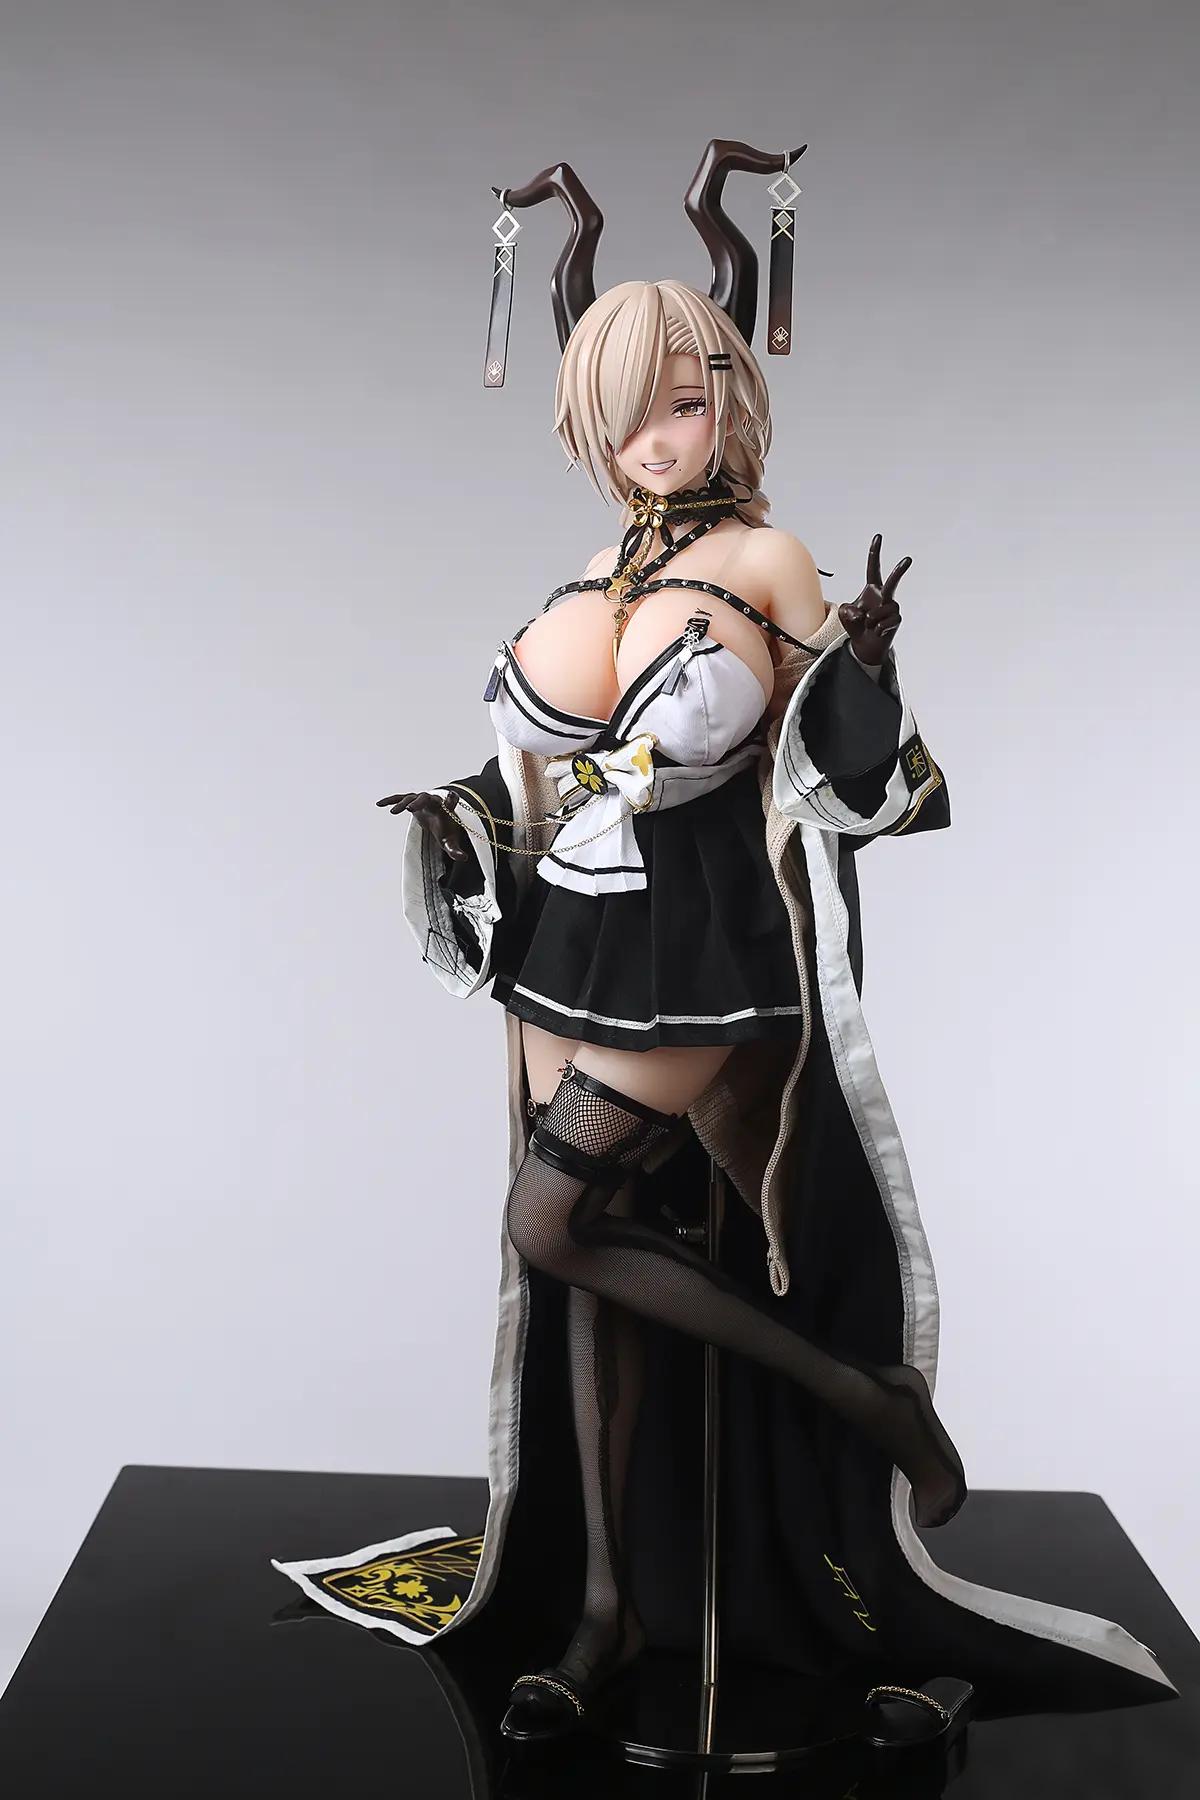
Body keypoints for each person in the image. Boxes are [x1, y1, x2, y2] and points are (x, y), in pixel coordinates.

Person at [271, 143, 1177, 1746]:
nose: (655, 438)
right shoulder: (591, 570)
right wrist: (466, 809)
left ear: (730, 402)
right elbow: (554, 771)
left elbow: (852, 774)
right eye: (625, 412)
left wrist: (870, 666)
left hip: (700, 947)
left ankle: (863, 1395)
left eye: (683, 402)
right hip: (567, 939)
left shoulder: (766, 559)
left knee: (554, 1220)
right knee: (585, 1279)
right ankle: (605, 1618)